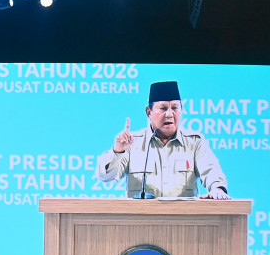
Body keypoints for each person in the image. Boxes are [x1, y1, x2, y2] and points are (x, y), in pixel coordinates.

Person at [98, 81, 230, 199]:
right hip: (141, 221)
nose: (169, 114)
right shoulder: (132, 142)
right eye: (163, 108)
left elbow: (211, 170)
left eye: (175, 108)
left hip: (184, 221)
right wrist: (118, 151)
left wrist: (217, 189)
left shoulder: (194, 142)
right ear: (148, 112)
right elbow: (107, 177)